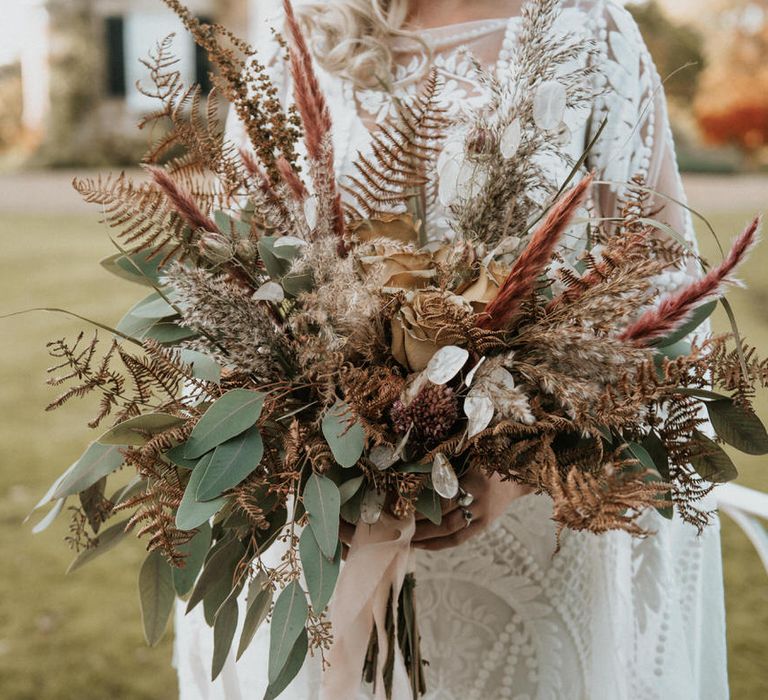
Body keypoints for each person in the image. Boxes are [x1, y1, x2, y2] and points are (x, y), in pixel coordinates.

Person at [173, 1, 729, 697]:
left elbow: (665, 298)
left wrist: (526, 465)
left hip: (532, 540)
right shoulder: (303, 22)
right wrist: (305, 446)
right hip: (325, 537)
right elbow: (237, 269)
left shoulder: (593, 31)